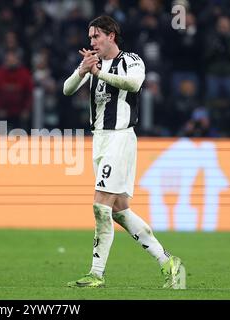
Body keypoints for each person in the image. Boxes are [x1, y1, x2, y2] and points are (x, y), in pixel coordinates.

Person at [62, 15, 185, 289]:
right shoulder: (92, 62)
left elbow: (134, 84)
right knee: (119, 210)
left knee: (100, 206)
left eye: (96, 36)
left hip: (120, 138)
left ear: (111, 35)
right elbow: (67, 89)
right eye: (90, 37)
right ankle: (168, 262)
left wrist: (98, 74)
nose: (91, 41)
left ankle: (96, 273)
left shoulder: (131, 60)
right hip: (99, 140)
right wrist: (82, 70)